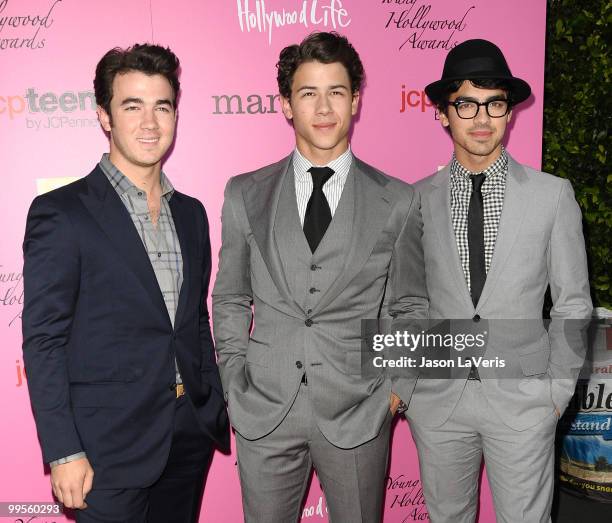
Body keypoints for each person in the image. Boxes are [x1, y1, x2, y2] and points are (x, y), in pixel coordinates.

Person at [212, 31, 427, 522]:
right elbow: (229, 296)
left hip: (359, 408)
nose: (324, 107)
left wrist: (396, 388)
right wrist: (234, 379)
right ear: (287, 105)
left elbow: (409, 306)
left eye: (337, 91)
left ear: (355, 101)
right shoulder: (245, 193)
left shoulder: (397, 199)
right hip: (263, 408)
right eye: (309, 93)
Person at [22, 43, 229, 522]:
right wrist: (63, 451)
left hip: (187, 434)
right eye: (132, 106)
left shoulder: (192, 213)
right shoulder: (62, 213)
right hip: (104, 447)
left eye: (162, 106)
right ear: (104, 115)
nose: (150, 123)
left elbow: (194, 321)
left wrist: (211, 405)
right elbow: (44, 341)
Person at [407, 39, 592, 522]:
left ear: (509, 113)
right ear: (444, 114)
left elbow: (573, 304)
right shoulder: (412, 200)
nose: (482, 117)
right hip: (438, 402)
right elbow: (398, 300)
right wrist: (405, 386)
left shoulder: (553, 196)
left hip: (525, 401)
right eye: (466, 103)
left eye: (495, 103)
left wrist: (556, 394)